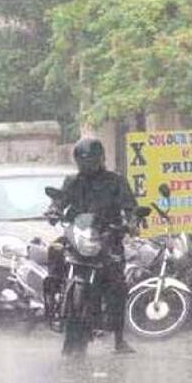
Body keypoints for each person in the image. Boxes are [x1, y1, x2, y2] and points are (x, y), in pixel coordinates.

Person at [46, 137, 138, 354]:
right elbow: (59, 202)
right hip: (78, 236)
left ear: (101, 159)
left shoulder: (116, 181)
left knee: (117, 284)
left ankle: (118, 337)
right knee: (54, 251)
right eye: (82, 161)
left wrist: (131, 222)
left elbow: (130, 207)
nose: (86, 165)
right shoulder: (72, 181)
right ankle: (52, 299)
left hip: (107, 238)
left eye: (91, 160)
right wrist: (53, 211)